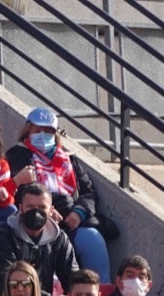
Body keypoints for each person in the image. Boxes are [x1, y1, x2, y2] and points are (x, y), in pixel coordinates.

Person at [6, 107, 113, 281]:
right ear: (28, 130)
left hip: (71, 219)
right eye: (38, 130)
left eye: (48, 131)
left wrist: (79, 213)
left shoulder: (69, 158)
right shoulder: (17, 155)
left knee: (93, 238)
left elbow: (89, 193)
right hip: (36, 219)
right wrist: (45, 210)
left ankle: (102, 295)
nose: (43, 134)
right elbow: (18, 191)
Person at [0, 183, 78, 296]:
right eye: (30, 207)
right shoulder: (3, 235)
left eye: (42, 207)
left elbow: (72, 275)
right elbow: (6, 280)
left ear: (51, 211)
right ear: (20, 208)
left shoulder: (59, 238)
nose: (36, 212)